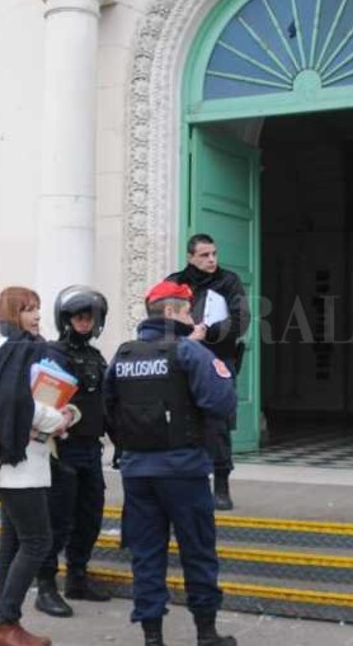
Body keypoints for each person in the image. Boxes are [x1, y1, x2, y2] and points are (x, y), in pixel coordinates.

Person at [104, 280, 238, 646]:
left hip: (137, 473)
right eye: (185, 310)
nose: (191, 317)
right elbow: (222, 403)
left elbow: (108, 410)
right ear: (169, 312)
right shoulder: (189, 352)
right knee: (198, 553)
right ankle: (207, 634)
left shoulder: (124, 354)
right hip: (184, 472)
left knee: (146, 557)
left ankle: (152, 637)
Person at [0, 286, 78, 646]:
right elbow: (16, 403)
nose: (35, 315)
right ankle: (3, 622)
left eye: (37, 308)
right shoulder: (16, 348)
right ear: (11, 313)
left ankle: (5, 622)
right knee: (37, 541)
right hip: (17, 463)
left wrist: (63, 413)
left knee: (13, 542)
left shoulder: (1, 347)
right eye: (28, 309)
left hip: (8, 461)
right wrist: (57, 419)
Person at [34, 285, 114, 618]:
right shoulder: (54, 354)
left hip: (91, 449)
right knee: (58, 521)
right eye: (79, 316)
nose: (85, 322)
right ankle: (46, 586)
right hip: (62, 450)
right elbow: (45, 400)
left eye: (90, 316)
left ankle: (77, 577)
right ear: (66, 319)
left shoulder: (96, 357)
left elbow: (108, 403)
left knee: (90, 516)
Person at [165, 233, 250, 511]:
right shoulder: (175, 282)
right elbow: (160, 316)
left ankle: (222, 486)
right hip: (183, 358)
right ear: (190, 257)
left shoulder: (229, 281)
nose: (212, 259)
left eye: (214, 253)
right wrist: (189, 335)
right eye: (204, 255)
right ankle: (181, 483)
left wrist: (208, 333)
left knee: (219, 424)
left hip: (218, 359)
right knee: (179, 418)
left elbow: (241, 320)